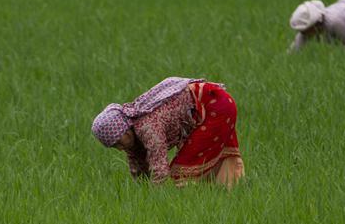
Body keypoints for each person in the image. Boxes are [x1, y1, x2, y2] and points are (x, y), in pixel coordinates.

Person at [92, 77, 245, 189]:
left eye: (119, 141)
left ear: (125, 128)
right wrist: (141, 192)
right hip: (210, 107)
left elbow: (159, 167)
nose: (119, 148)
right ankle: (225, 192)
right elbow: (138, 166)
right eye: (114, 146)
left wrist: (155, 200)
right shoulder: (132, 134)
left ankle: (210, 197)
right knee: (195, 165)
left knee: (182, 171)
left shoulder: (147, 127)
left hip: (214, 105)